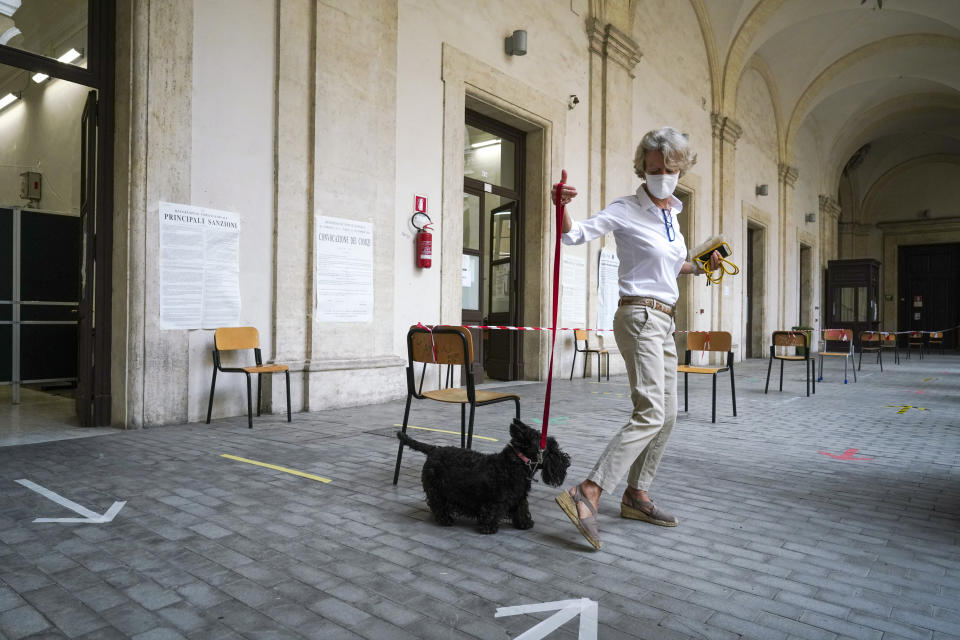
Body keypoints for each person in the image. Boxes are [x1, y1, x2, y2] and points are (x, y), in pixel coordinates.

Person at [553, 126, 722, 550]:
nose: (661, 175)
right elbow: (574, 235)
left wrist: (701, 265)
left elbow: (672, 264)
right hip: (639, 315)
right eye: (653, 169)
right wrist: (561, 207)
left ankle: (636, 494)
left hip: (664, 319)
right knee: (650, 411)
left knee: (668, 415)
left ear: (680, 171)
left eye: (668, 169)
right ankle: (589, 491)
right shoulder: (626, 209)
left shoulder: (672, 217)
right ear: (641, 169)